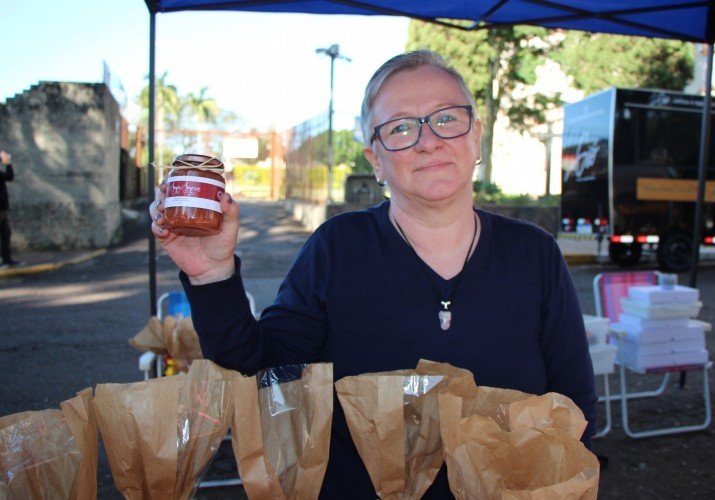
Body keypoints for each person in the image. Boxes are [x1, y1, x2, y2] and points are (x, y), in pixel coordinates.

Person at [150, 50, 597, 499]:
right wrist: (212, 273)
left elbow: (574, 411)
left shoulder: (534, 254)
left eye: (446, 118)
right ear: (376, 159)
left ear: (476, 138)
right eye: (400, 127)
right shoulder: (338, 249)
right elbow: (257, 373)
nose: (427, 141)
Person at [0, 149, 22, 268]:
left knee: (6, 234)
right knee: (4, 234)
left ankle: (7, 259)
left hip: (2, 208)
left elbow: (8, 177)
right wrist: (7, 163)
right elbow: (9, 176)